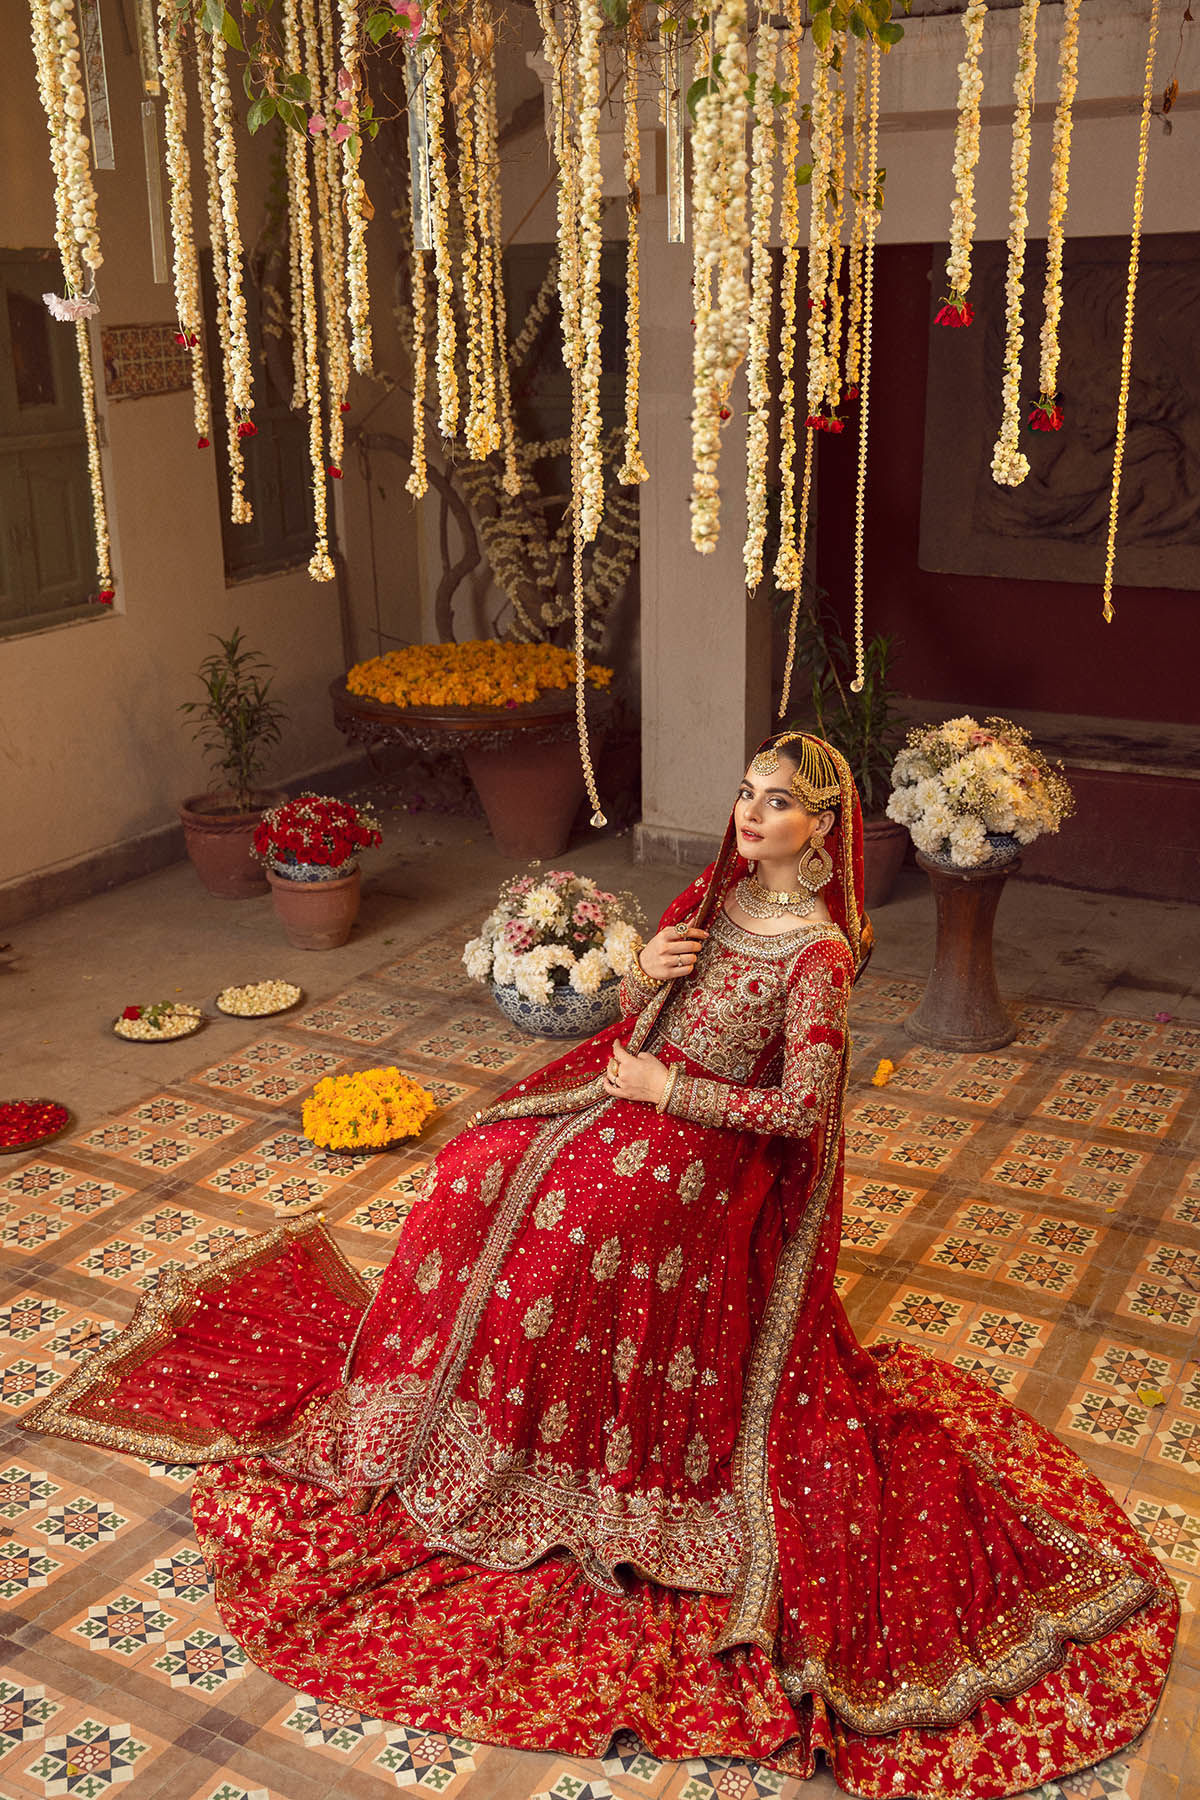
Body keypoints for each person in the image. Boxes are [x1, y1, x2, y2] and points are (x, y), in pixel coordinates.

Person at [25, 732, 1176, 1799]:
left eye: (778, 804)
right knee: (476, 1168)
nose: (751, 815)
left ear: (823, 829)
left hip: (711, 1156)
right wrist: (643, 980)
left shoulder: (820, 955)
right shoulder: (715, 902)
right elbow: (644, 1014)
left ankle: (564, 1449)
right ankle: (475, 1410)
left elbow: (802, 1110)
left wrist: (669, 1091)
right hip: (629, 1104)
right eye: (746, 794)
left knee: (579, 1226)